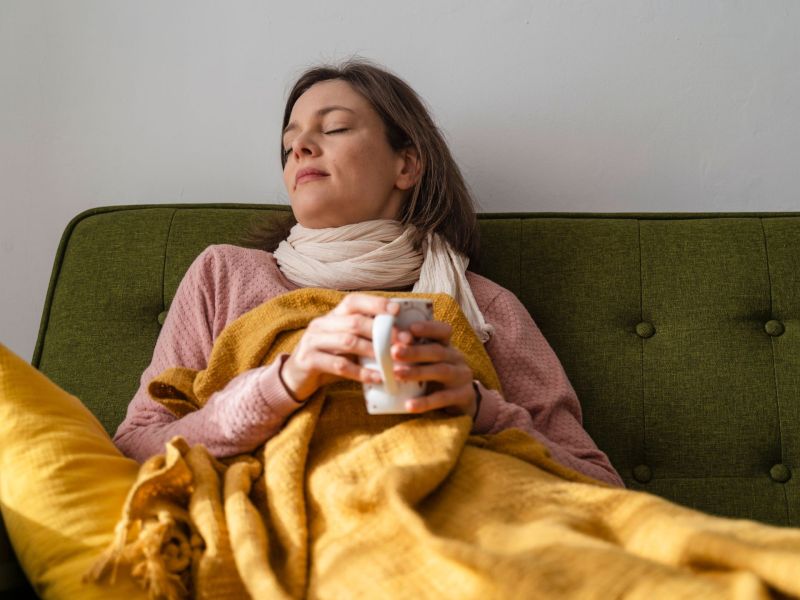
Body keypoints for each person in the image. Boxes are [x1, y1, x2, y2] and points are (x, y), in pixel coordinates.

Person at [113, 59, 624, 488]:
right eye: (289, 141)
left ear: (407, 166)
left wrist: (477, 408)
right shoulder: (225, 274)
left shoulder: (481, 307)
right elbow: (134, 447)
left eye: (332, 129)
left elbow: (599, 485)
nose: (300, 148)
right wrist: (283, 384)